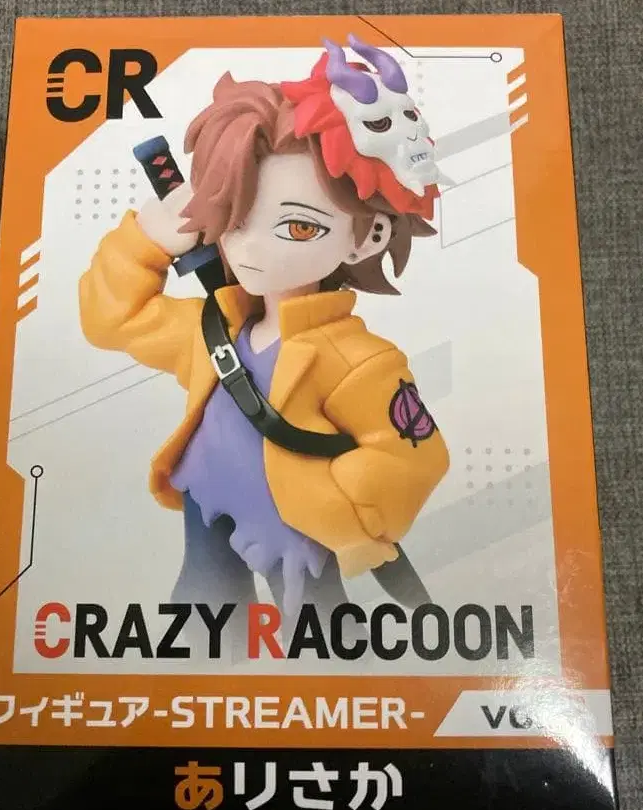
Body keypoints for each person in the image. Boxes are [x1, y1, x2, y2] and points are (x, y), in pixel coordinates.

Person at [78, 36, 450, 646]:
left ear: (367, 237)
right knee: (201, 630)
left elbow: (413, 457)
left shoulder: (360, 361)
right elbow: (113, 319)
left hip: (293, 534)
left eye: (298, 226)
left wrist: (332, 505)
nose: (250, 246)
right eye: (234, 214)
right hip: (207, 507)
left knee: (322, 641)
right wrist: (146, 239)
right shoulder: (213, 329)